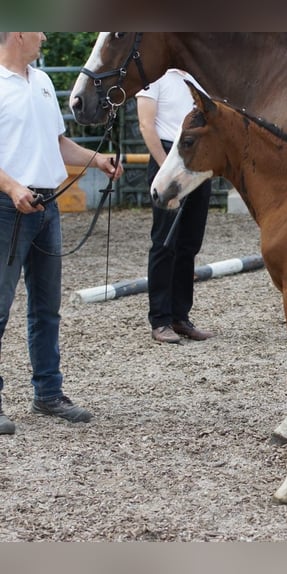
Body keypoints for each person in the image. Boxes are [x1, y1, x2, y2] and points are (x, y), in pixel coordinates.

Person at [0, 32, 123, 434]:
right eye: (37, 30)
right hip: (8, 208)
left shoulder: (43, 81)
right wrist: (12, 187)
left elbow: (56, 143)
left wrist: (97, 160)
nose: (44, 35)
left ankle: (48, 394)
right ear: (18, 33)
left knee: (46, 308)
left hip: (47, 206)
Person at [137, 69, 215, 344]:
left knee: (189, 243)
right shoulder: (155, 78)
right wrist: (165, 171)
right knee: (164, 242)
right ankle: (160, 318)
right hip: (169, 159)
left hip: (195, 160)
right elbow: (146, 125)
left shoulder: (196, 77)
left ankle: (181, 316)